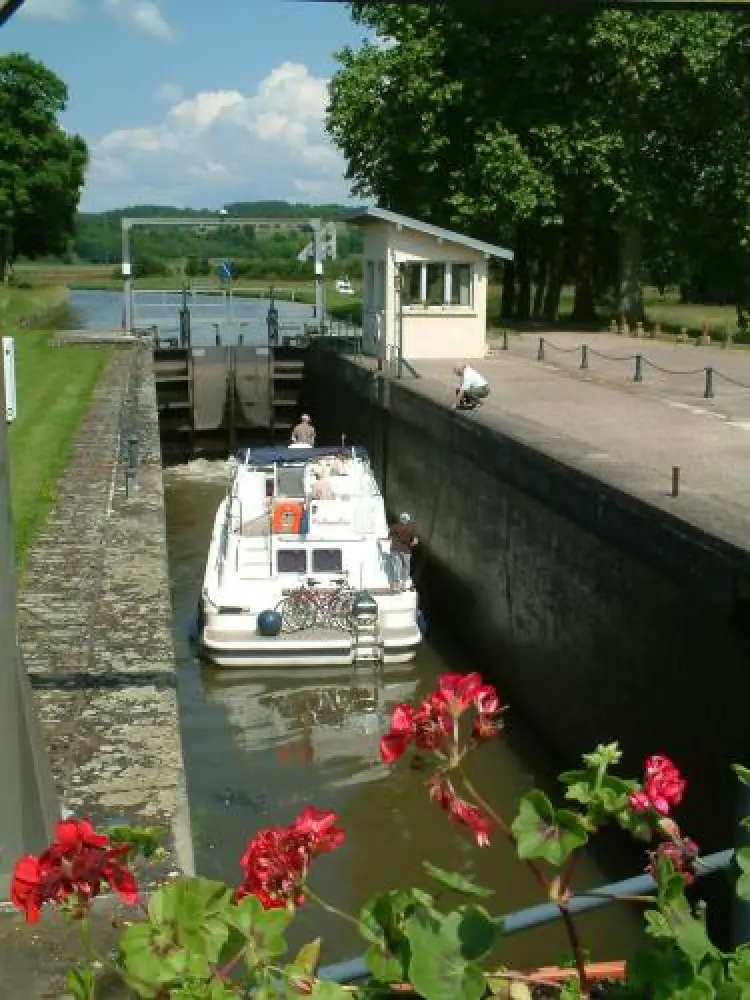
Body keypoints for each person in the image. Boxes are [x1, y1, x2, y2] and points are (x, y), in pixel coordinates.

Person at [388, 512, 419, 591]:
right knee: (406, 567)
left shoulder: (394, 527)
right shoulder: (412, 528)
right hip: (406, 550)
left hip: (395, 549)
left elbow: (389, 538)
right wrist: (410, 545)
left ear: (400, 519)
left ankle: (397, 584)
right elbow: (415, 541)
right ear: (408, 520)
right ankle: (403, 584)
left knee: (396, 566)